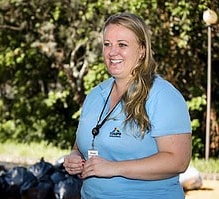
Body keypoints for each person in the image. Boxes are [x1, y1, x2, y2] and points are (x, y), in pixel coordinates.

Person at [63, 12, 192, 199]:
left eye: (122, 45)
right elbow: (80, 145)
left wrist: (114, 168)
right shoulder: (95, 95)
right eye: (107, 44)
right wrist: (75, 158)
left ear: (142, 50)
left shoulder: (163, 96)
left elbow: (177, 161)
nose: (112, 52)